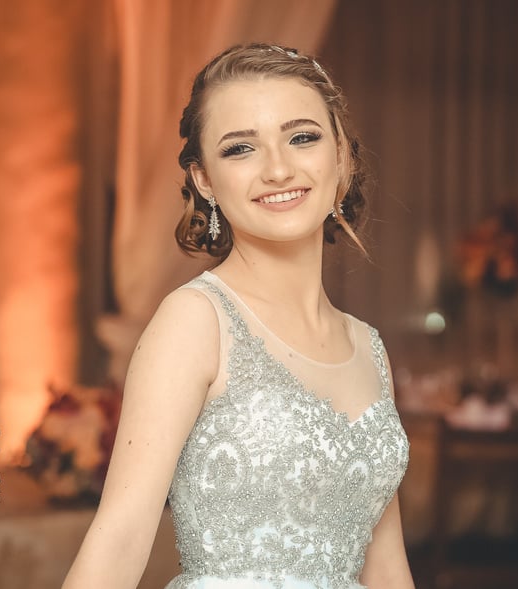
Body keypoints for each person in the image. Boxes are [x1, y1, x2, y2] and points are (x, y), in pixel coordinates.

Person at [63, 43, 414, 589]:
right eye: (240, 149)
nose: (278, 169)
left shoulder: (369, 347)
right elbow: (121, 537)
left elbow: (388, 568)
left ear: (342, 156)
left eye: (302, 137)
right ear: (205, 180)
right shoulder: (195, 321)